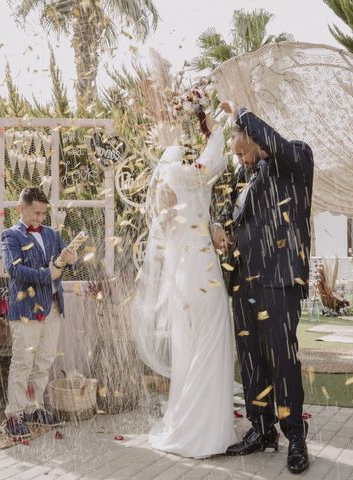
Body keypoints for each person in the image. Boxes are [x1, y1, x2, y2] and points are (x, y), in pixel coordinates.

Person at [212, 102, 313, 474]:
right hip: (243, 280)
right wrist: (220, 229)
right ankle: (261, 428)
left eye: (244, 151)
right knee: (251, 357)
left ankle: (295, 436)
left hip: (279, 280)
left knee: (282, 361)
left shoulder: (296, 158)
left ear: (258, 139)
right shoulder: (243, 174)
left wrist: (240, 112)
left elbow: (276, 144)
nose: (241, 160)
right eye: (237, 154)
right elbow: (226, 213)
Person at [132, 112, 237, 458]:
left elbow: (208, 165)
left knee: (199, 341)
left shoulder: (176, 187)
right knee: (210, 336)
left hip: (190, 272)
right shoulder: (181, 176)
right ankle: (202, 429)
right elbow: (214, 161)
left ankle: (202, 423)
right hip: (198, 273)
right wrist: (217, 124)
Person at [0, 186, 78, 438]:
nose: (40, 218)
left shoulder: (53, 234)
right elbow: (16, 271)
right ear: (21, 208)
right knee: (22, 363)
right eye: (36, 213)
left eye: (44, 214)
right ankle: (14, 414)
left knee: (44, 361)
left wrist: (71, 256)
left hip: (53, 307)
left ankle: (34, 408)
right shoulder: (10, 236)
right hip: (25, 310)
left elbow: (65, 259)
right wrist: (49, 273)